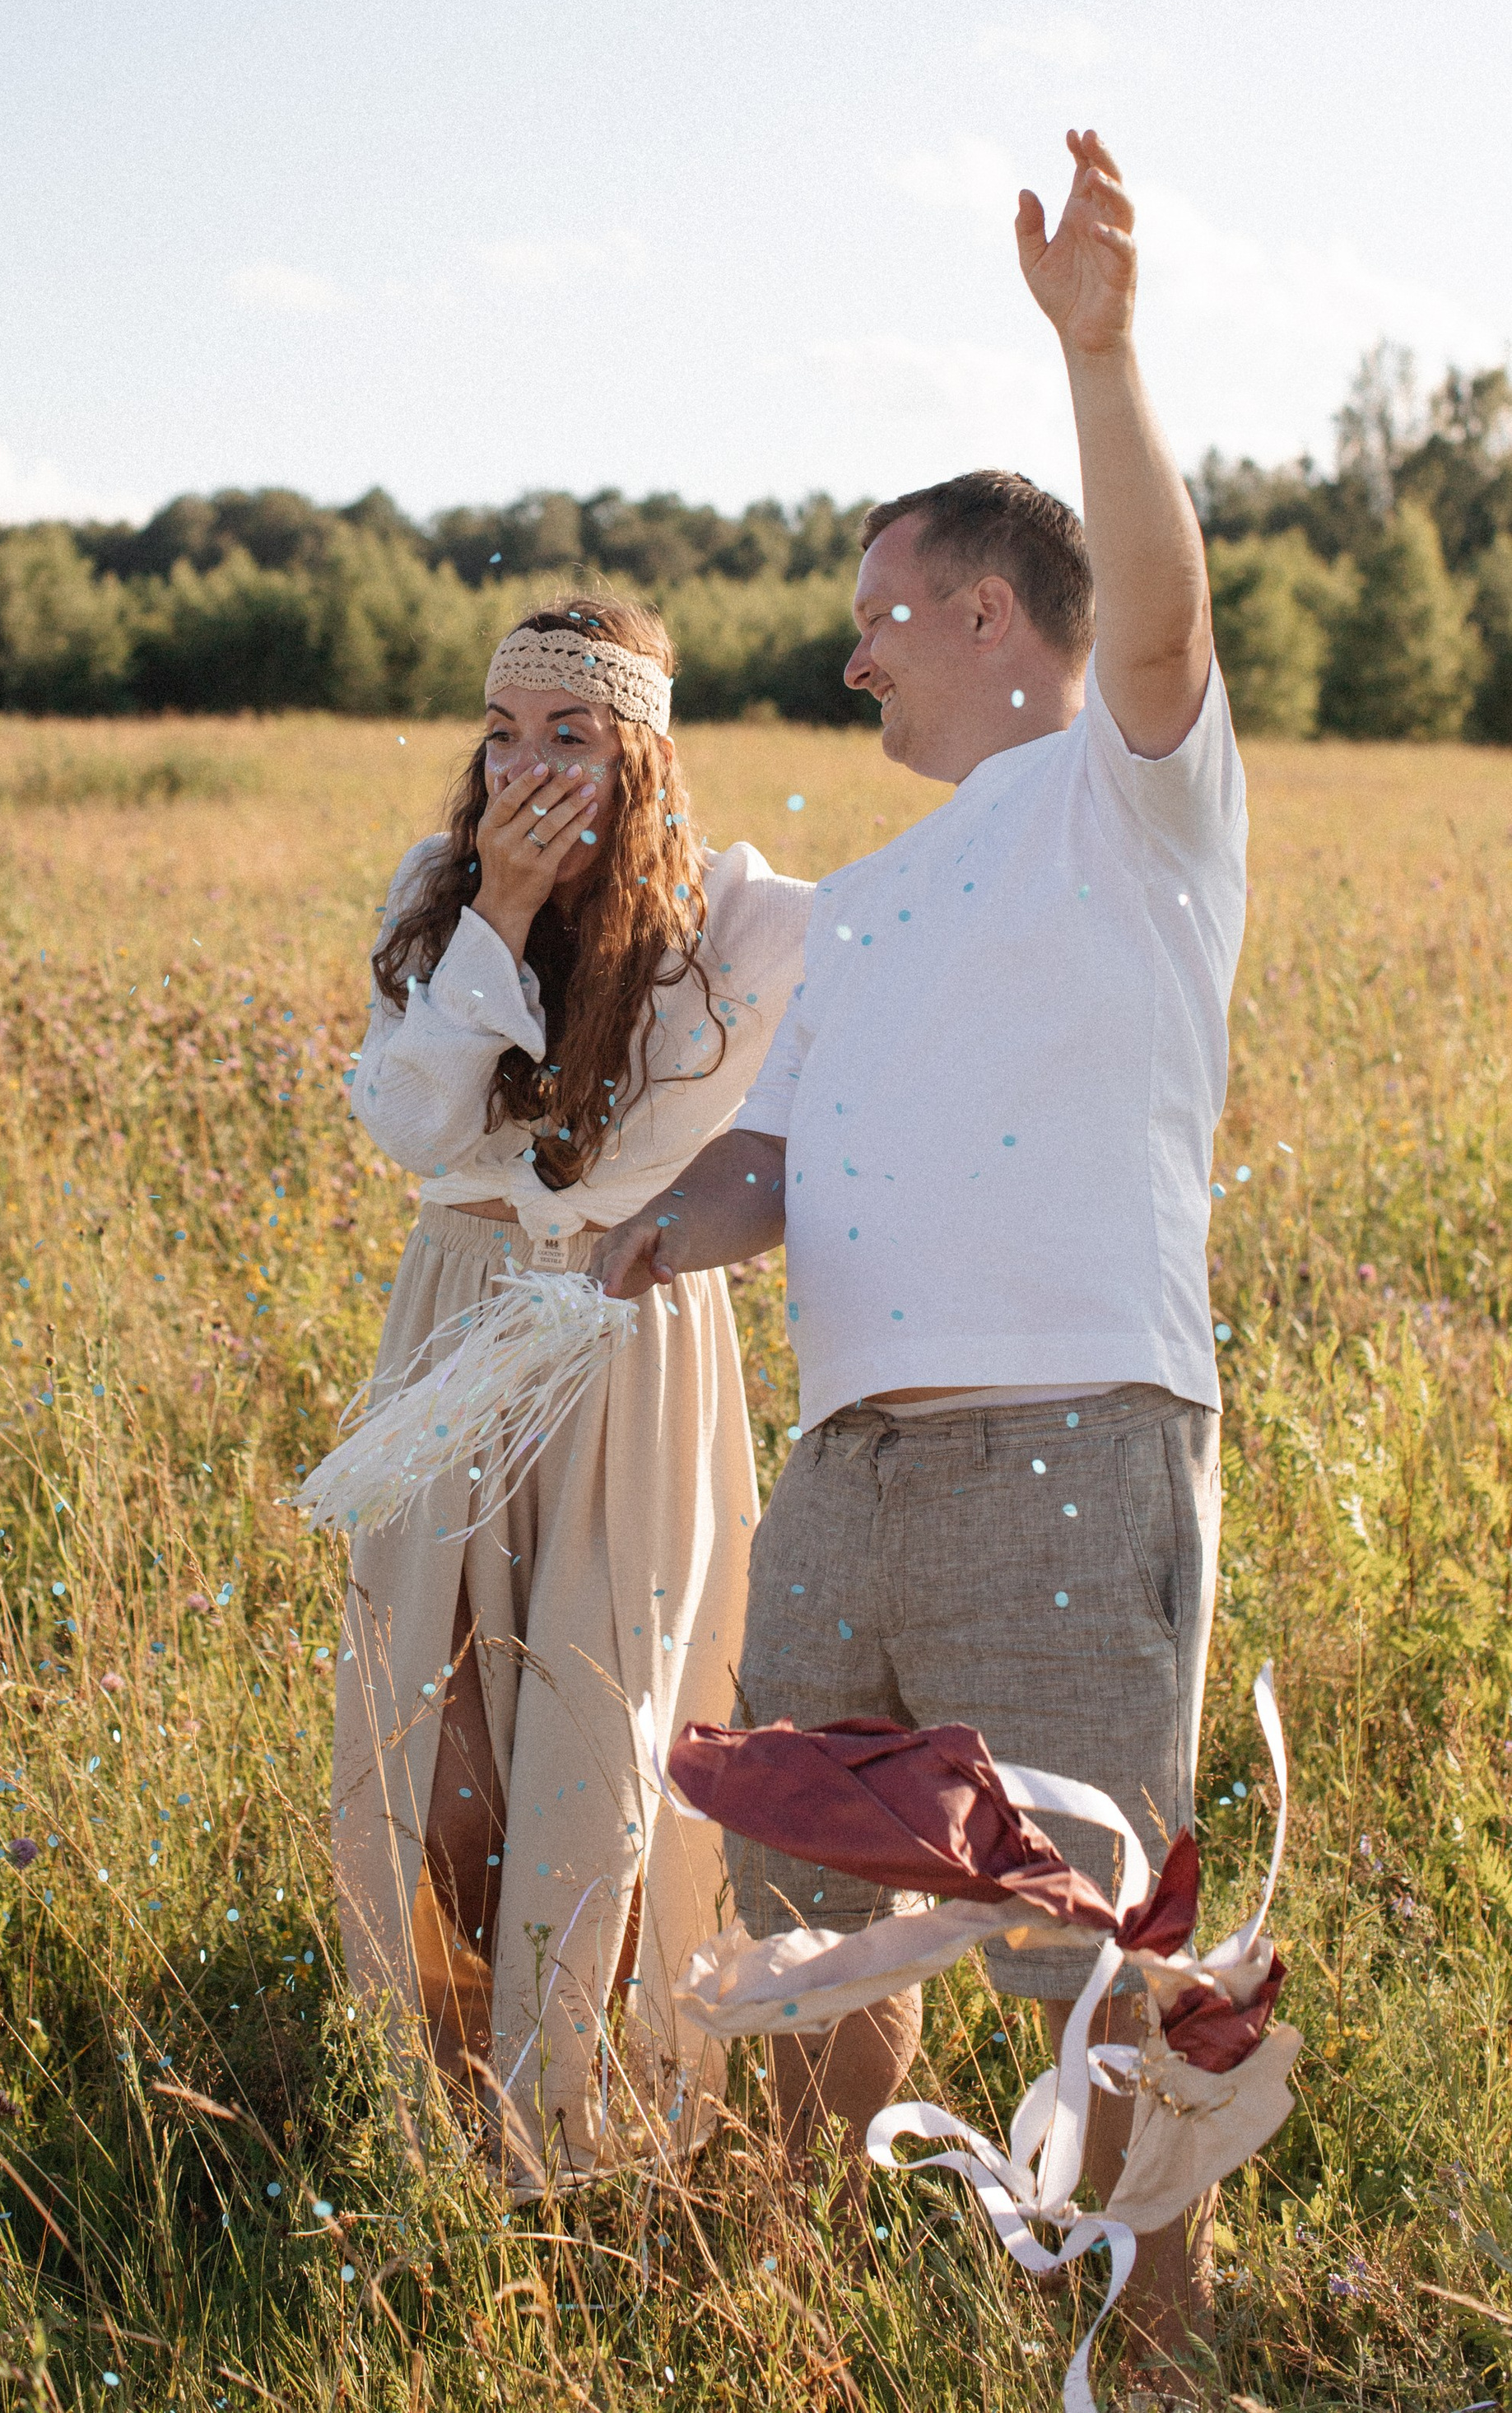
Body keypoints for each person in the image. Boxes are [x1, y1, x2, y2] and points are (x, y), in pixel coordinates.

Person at [600, 132, 1244, 2364]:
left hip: (1069, 1452)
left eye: (886, 610)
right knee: (804, 1934)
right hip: (848, 1484)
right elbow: (763, 1175)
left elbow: (1153, 607)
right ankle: (781, 2317)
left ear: (991, 615)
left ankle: (1147, 2363)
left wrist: (1103, 349)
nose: (856, 655)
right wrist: (641, 1237)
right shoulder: (851, 913)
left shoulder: (1132, 794)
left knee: (1095, 1944)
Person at [333, 596, 817, 2180]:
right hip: (460, 1319)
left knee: (606, 1714)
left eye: (573, 735)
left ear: (646, 755)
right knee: (442, 1719)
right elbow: (410, 1125)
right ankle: (439, 2099)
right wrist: (504, 905)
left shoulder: (734, 920)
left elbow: (894, 974)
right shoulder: (438, 896)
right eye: (502, 732)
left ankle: (575, 2126)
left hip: (630, 1328)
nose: (526, 765)